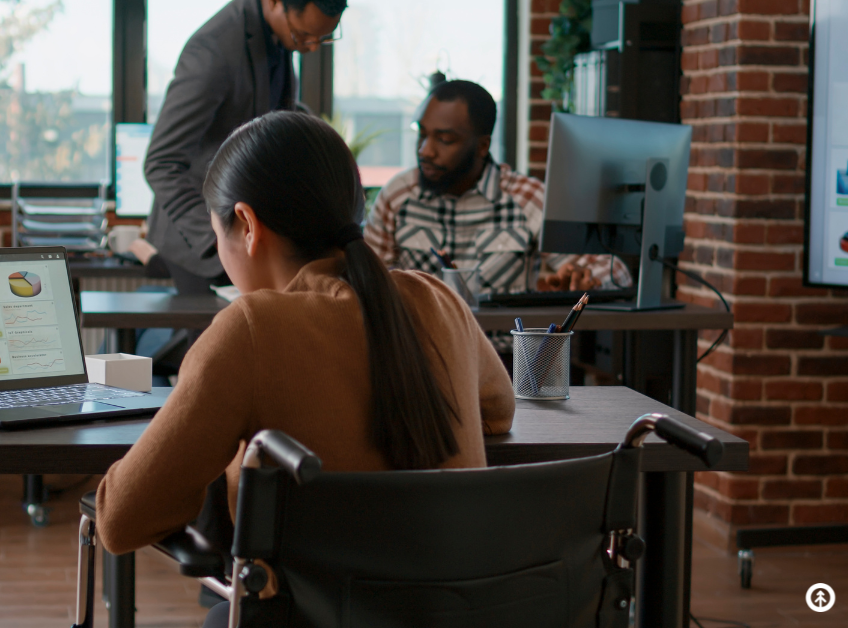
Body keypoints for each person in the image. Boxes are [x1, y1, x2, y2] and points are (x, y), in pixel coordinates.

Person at [96, 112, 515, 626]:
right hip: (456, 613)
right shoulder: (436, 298)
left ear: (246, 226)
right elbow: (498, 412)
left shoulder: (248, 329)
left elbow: (121, 520)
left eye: (216, 235)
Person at [144, 0, 345, 296]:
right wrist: (219, 236)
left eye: (323, 39)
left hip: (250, 237)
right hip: (201, 242)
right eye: (304, 36)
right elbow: (161, 162)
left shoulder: (277, 37)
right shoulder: (215, 50)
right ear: (274, 2)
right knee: (218, 341)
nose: (312, 48)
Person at [365, 79, 631, 294]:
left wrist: (585, 279)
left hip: (503, 356)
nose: (425, 151)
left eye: (444, 139)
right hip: (422, 357)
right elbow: (367, 281)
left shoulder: (527, 198)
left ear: (482, 146)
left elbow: (615, 273)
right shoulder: (397, 196)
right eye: (421, 134)